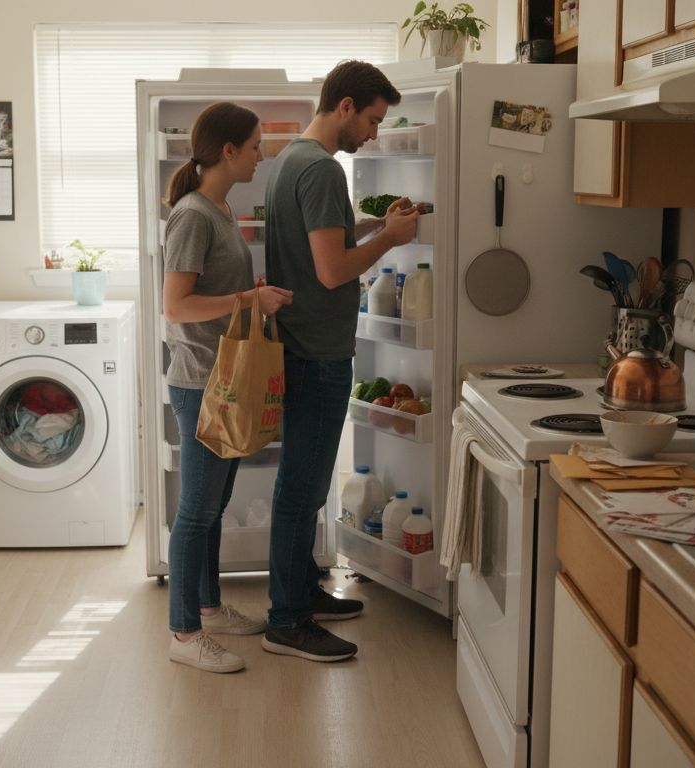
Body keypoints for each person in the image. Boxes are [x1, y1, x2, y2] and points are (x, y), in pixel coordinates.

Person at [260, 61, 419, 662]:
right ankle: (287, 620)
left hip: (297, 345)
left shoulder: (289, 163)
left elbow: (322, 240)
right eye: (374, 120)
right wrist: (390, 242)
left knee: (300, 485)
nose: (376, 134)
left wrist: (379, 221)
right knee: (301, 492)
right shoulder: (324, 169)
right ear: (346, 106)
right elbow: (332, 269)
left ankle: (301, 591)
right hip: (318, 352)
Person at [162, 102, 294, 673]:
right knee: (195, 511)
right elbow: (177, 306)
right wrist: (247, 300)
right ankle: (184, 634)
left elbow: (213, 286)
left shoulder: (219, 206)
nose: (262, 156)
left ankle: (210, 608)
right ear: (227, 151)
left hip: (226, 379)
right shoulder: (193, 214)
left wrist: (251, 288)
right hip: (201, 382)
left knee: (215, 505)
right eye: (256, 146)